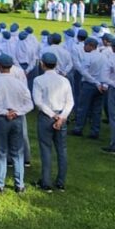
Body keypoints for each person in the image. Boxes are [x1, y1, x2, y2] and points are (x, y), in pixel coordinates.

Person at [0, 53, 32, 194]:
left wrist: (4, 112)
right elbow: (29, 105)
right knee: (17, 151)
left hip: (0, 119)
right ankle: (20, 184)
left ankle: (0, 184)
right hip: (16, 119)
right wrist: (16, 112)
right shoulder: (20, 84)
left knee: (1, 151)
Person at [32, 52, 73, 192]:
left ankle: (46, 181)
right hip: (61, 116)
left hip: (47, 116)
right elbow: (70, 102)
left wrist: (53, 115)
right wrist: (62, 117)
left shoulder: (38, 80)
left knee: (46, 149)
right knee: (62, 149)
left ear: (42, 64)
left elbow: (38, 102)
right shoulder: (64, 80)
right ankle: (61, 182)